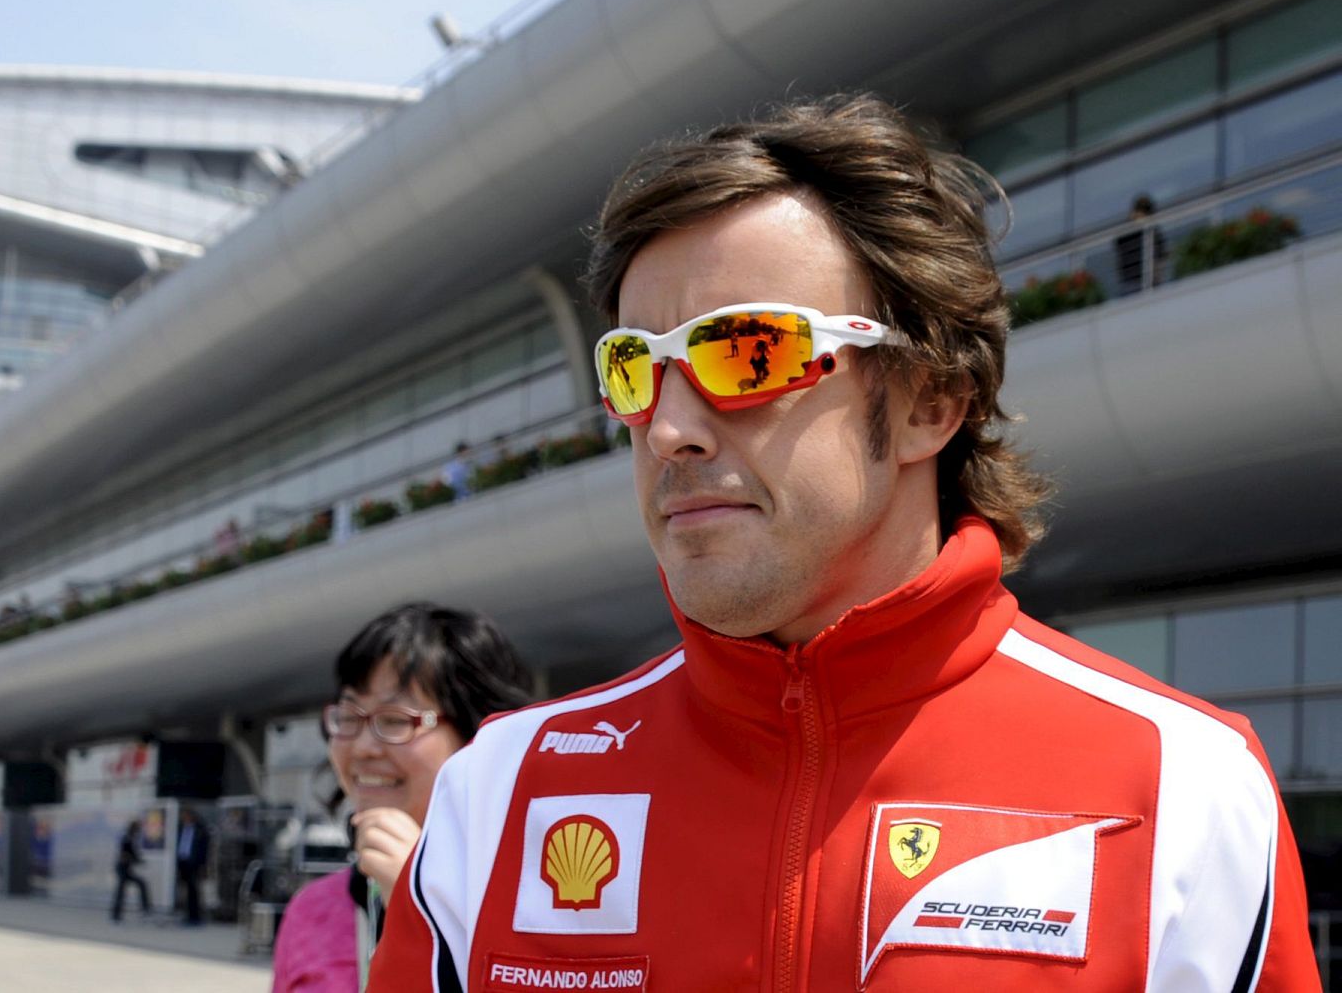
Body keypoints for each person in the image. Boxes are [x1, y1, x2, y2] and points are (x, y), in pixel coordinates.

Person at [368, 95, 1319, 990]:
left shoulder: (1182, 784)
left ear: (930, 400)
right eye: (634, 368)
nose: (668, 428)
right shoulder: (497, 792)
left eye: (744, 351)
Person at [272, 602, 532, 993]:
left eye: (394, 720)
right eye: (349, 716)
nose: (362, 747)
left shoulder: (532, 907)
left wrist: (422, 907)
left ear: (478, 734)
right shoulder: (310, 911)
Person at [1115, 192, 1168, 289]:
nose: (1142, 215)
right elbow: (1119, 243)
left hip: (1150, 281)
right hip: (1131, 281)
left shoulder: (1153, 232)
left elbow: (1161, 255)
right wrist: (1131, 223)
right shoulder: (1126, 231)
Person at [174, 807, 209, 926]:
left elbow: (204, 850)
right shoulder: (180, 828)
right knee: (184, 891)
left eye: (186, 815)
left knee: (194, 890)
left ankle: (195, 916)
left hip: (194, 863)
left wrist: (202, 865)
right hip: (182, 862)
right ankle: (187, 914)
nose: (184, 818)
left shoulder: (200, 830)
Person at [111, 819, 150, 922]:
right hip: (123, 869)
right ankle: (116, 915)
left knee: (140, 884)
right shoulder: (127, 838)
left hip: (126, 869)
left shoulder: (130, 838)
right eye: (137, 829)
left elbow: (132, 854)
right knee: (121, 891)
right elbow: (125, 854)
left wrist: (138, 860)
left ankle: (145, 908)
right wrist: (136, 859)